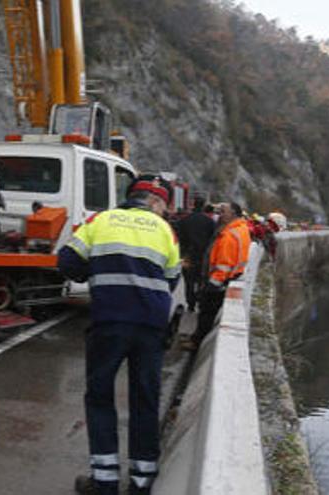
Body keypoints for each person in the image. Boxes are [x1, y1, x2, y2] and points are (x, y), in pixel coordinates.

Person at [58, 180, 181, 495]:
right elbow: (171, 278)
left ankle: (105, 481)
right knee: (145, 399)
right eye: (166, 206)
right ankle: (142, 481)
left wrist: (96, 270)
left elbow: (68, 262)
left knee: (100, 398)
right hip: (151, 327)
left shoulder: (101, 220)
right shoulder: (165, 231)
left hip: (110, 321)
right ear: (156, 202)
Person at [182, 202, 251, 351]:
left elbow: (224, 264)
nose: (220, 214)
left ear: (233, 214)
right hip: (229, 279)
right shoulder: (240, 229)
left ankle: (196, 342)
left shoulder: (229, 236)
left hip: (218, 281)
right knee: (207, 313)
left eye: (223, 212)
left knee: (206, 313)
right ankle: (196, 338)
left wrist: (212, 284)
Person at [174, 196, 215, 312]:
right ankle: (199, 300)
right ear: (203, 206)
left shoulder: (184, 220)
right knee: (202, 280)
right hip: (203, 256)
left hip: (188, 255)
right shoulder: (209, 222)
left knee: (189, 281)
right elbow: (213, 239)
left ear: (193, 205)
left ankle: (190, 303)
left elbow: (179, 238)